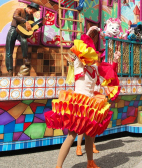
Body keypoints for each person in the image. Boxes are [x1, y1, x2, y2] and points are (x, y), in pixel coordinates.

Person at [45, 31, 120, 168]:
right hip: (79, 104)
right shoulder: (79, 64)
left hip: (91, 104)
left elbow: (109, 71)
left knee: (90, 135)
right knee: (71, 135)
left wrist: (115, 60)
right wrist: (89, 34)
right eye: (90, 50)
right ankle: (58, 166)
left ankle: (90, 162)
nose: (92, 53)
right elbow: (80, 46)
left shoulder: (94, 69)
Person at [5, 2, 42, 76]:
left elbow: (33, 27)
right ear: (29, 8)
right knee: (9, 51)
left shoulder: (31, 16)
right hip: (13, 30)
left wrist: (42, 23)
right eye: (33, 11)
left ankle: (25, 58)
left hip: (21, 33)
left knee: (24, 40)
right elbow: (15, 16)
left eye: (34, 11)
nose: (33, 12)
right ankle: (10, 70)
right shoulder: (19, 10)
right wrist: (25, 21)